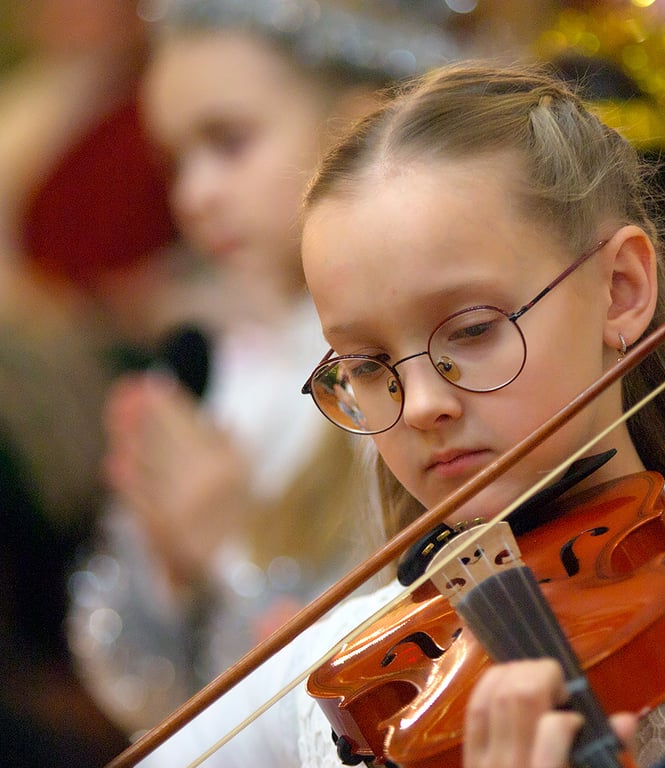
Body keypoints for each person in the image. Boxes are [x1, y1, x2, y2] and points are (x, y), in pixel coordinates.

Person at [132, 62, 665, 768]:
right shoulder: (344, 675)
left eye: (473, 332)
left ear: (621, 289)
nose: (422, 404)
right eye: (366, 366)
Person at [66, 0, 462, 736]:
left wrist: (225, 551)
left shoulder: (428, 377)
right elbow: (136, 682)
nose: (193, 196)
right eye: (176, 161)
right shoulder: (227, 372)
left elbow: (391, 698)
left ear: (359, 123)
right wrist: (166, 563)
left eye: (230, 142)